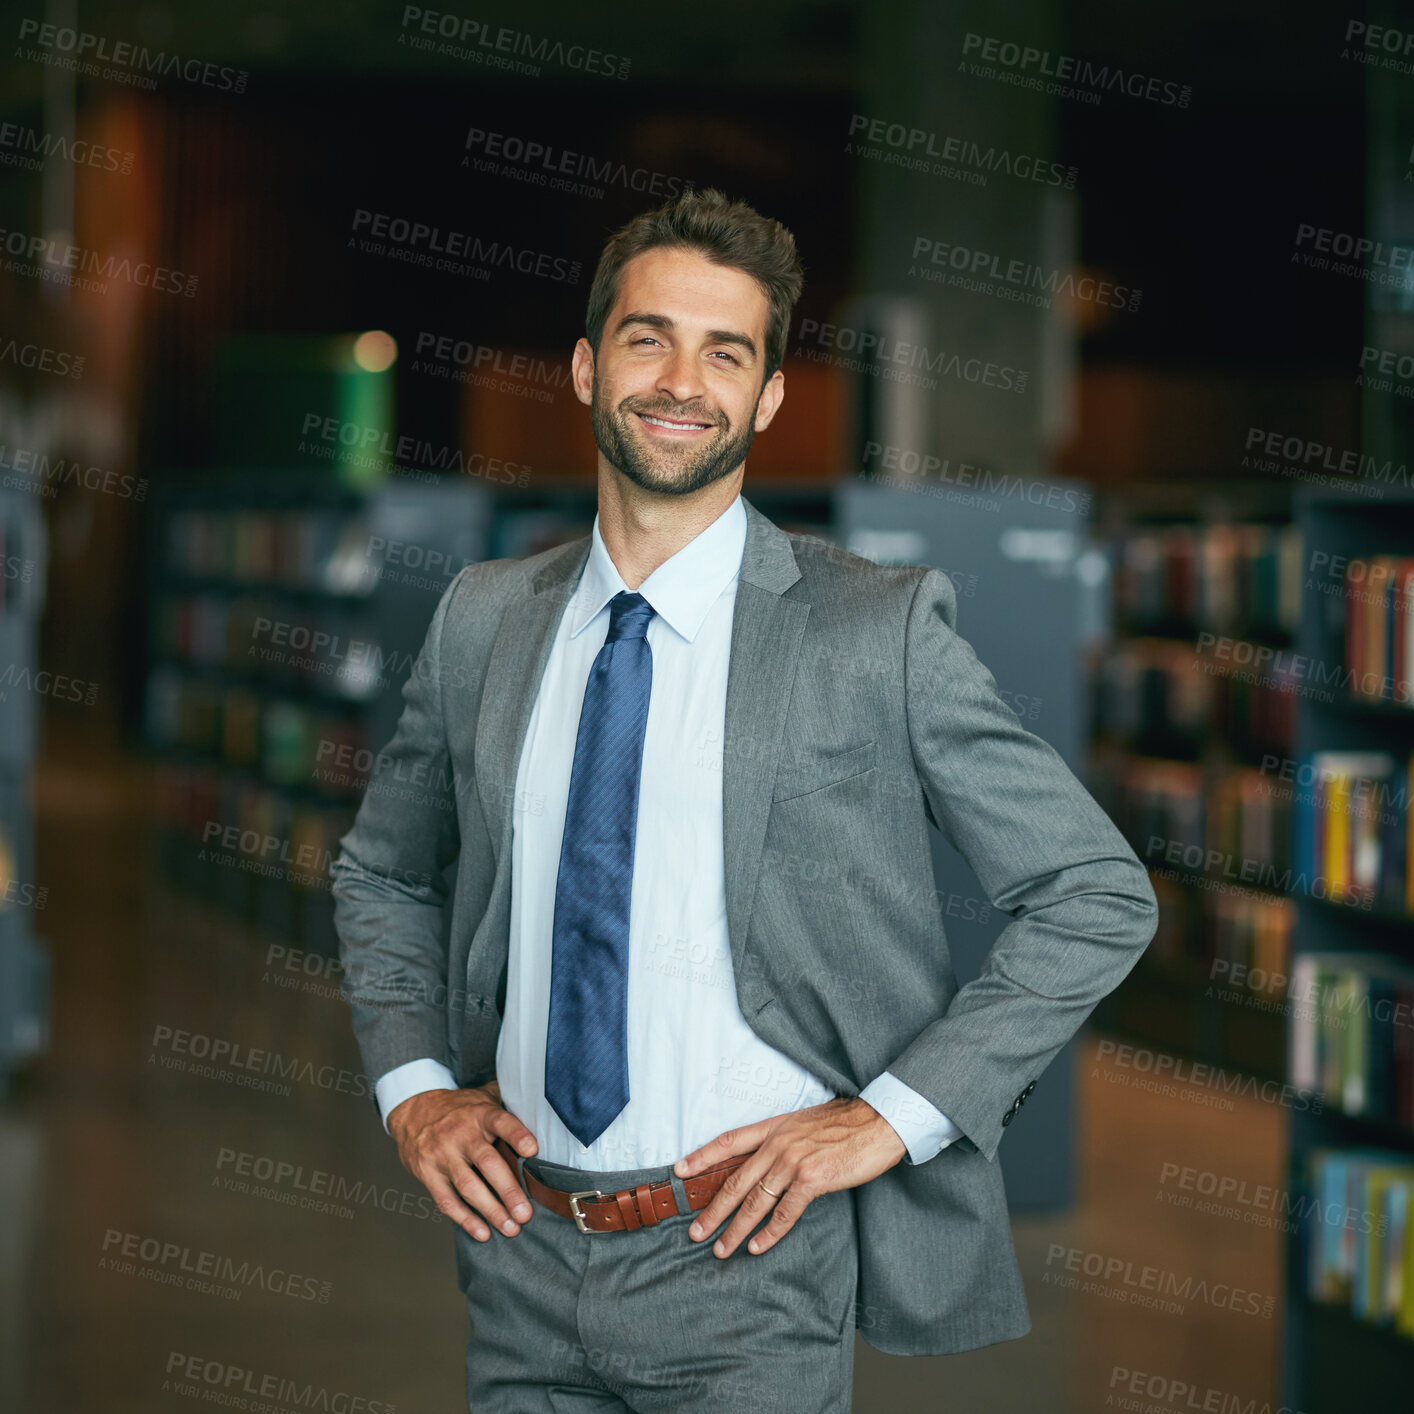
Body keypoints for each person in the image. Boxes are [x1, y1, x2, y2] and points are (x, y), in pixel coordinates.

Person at [331, 185, 1159, 1413]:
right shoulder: (484, 619)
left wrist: (887, 1120)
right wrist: (411, 1092)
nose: (681, 379)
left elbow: (1094, 893)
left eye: (725, 351)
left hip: (749, 1266)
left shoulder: (877, 629)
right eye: (647, 337)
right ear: (582, 365)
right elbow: (385, 870)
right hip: (516, 1245)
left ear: (767, 396)